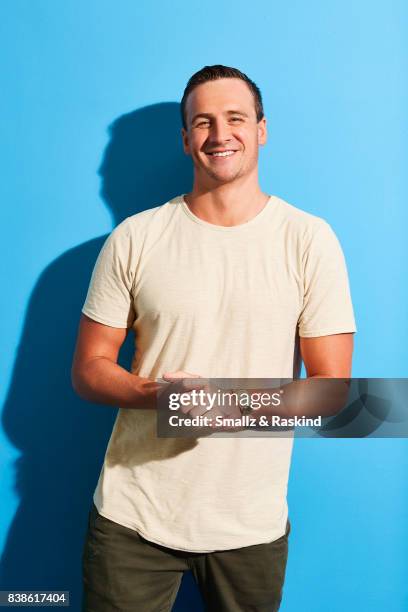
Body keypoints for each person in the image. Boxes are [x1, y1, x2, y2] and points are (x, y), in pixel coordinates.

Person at [72, 65, 356, 612]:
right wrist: (156, 397)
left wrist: (223, 404)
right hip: (133, 516)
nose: (220, 134)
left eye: (235, 118)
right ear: (185, 139)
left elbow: (332, 390)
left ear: (262, 129)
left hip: (250, 522)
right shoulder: (134, 237)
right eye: (203, 122)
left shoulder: (309, 241)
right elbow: (88, 368)